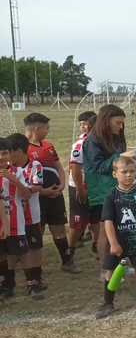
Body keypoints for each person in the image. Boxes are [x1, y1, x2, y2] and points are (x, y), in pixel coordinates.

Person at [96, 156, 136, 319]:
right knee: (110, 273)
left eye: (132, 171)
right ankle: (108, 303)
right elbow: (108, 221)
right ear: (115, 174)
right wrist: (113, 243)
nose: (129, 175)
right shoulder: (111, 196)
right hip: (118, 242)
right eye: (124, 172)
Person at [84, 105, 136, 282]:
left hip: (118, 188)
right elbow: (99, 167)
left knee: (121, 228)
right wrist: (120, 156)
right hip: (102, 192)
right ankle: (105, 268)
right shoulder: (92, 140)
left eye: (122, 123)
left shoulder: (115, 138)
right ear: (105, 120)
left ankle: (120, 263)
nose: (120, 127)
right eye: (118, 123)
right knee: (105, 232)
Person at [23, 113, 76, 273]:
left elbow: (58, 166)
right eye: (47, 128)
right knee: (37, 231)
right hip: (36, 198)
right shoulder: (23, 149)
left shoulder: (48, 146)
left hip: (56, 196)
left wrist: (61, 184)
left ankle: (67, 261)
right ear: (37, 128)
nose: (48, 131)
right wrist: (43, 191)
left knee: (59, 229)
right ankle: (34, 267)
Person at [0, 137, 40, 300]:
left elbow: (27, 194)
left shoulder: (18, 172)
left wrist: (14, 180)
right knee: (3, 255)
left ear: (10, 154)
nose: (1, 157)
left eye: (4, 153)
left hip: (16, 220)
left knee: (23, 253)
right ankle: (7, 285)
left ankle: (33, 284)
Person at [8, 133, 46, 290]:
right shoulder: (8, 168)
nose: (6, 156)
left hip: (31, 214)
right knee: (13, 248)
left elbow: (37, 186)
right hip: (13, 216)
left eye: (8, 152)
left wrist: (22, 187)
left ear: (18, 151)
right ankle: (9, 280)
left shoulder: (35, 165)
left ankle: (37, 276)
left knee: (34, 246)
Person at [67, 111, 98, 261]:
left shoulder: (99, 141)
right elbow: (75, 168)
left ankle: (96, 246)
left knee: (97, 219)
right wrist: (80, 188)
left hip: (96, 187)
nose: (83, 127)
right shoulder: (81, 143)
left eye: (85, 124)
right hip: (81, 186)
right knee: (78, 221)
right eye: (81, 124)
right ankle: (69, 250)